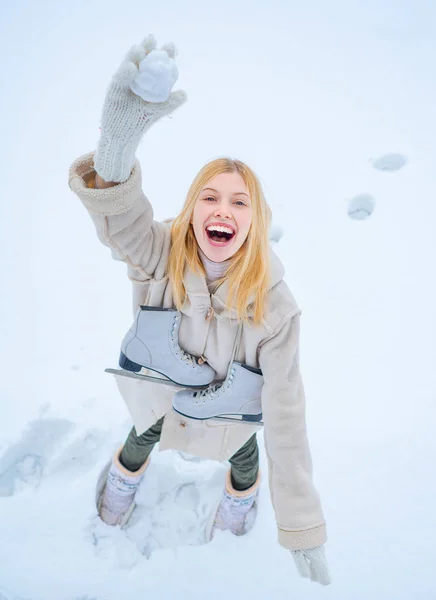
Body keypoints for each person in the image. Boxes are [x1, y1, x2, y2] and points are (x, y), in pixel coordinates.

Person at [68, 35, 331, 586]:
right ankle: (124, 475)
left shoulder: (277, 310)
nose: (223, 210)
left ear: (255, 223)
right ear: (191, 211)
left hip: (231, 422)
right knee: (140, 437)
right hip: (161, 400)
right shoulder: (157, 254)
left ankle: (240, 499)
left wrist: (302, 525)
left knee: (245, 459)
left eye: (239, 202)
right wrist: (119, 138)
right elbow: (120, 220)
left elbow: (285, 418)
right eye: (210, 197)